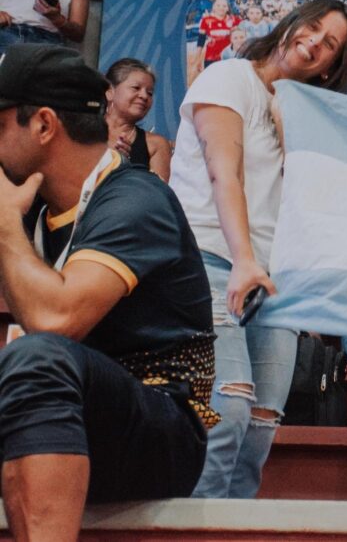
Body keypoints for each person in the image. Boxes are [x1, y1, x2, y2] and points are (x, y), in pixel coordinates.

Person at [0, 44, 215, 540]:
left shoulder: (137, 199)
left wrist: (5, 223)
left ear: (44, 125)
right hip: (65, 413)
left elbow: (56, 322)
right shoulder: (37, 204)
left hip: (160, 427)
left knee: (39, 358)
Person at [170, 0, 347, 498]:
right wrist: (243, 260)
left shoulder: (303, 119)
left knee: (261, 426)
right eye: (314, 28)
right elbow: (223, 174)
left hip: (276, 283)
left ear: (333, 65)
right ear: (293, 23)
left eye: (331, 44)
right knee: (227, 412)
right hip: (210, 260)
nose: (315, 43)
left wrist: (291, 132)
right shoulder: (229, 77)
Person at [104, 58, 172, 181]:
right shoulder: (82, 132)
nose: (144, 96)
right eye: (136, 88)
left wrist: (125, 167)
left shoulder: (156, 145)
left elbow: (156, 195)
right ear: (110, 92)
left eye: (150, 93)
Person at [198, 0, 241, 67]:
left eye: (224, 6)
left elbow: (248, 26)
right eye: (218, 5)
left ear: (227, 8)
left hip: (229, 57)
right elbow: (200, 40)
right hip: (211, 58)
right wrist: (197, 59)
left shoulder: (234, 20)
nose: (221, 8)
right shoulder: (206, 20)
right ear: (213, 7)